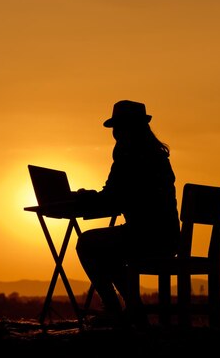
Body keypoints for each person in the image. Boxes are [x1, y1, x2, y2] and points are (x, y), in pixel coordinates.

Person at [75, 100, 180, 327]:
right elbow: (118, 194)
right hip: (165, 235)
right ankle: (133, 310)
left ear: (129, 128)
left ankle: (116, 310)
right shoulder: (155, 154)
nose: (115, 133)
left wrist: (85, 198)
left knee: (86, 243)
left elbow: (113, 196)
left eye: (118, 127)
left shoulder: (131, 154)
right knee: (106, 249)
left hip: (148, 236)